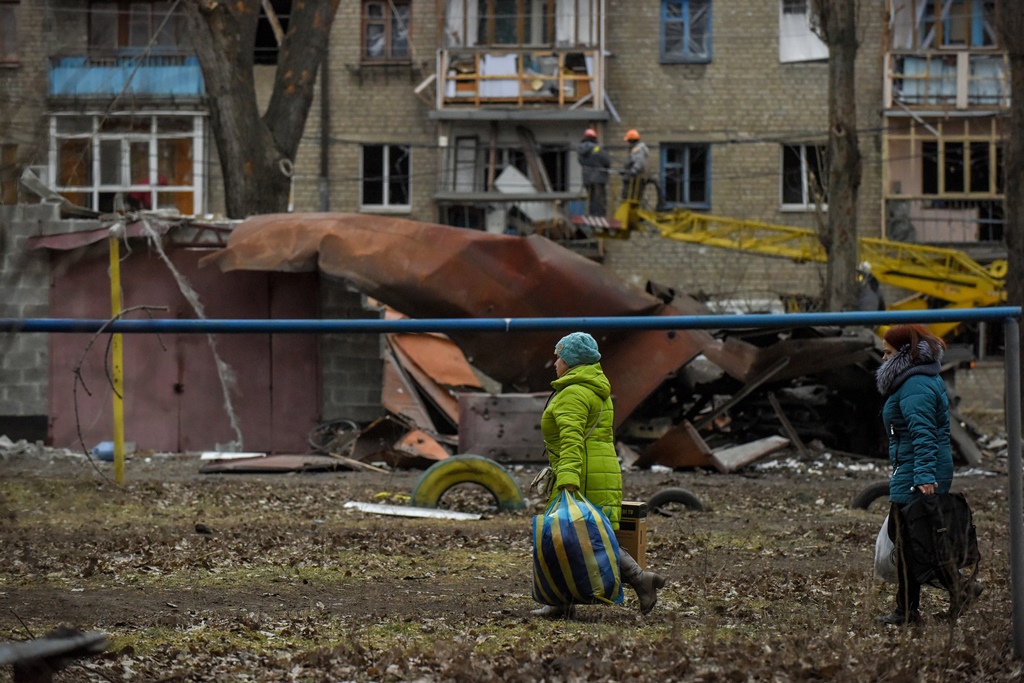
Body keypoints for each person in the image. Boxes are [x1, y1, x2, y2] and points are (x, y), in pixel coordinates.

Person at [531, 332, 666, 618]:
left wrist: (567, 480)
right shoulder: (594, 388)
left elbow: (572, 440)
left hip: (582, 474)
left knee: (578, 537)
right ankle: (560, 602)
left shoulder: (574, 393)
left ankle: (641, 579)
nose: (555, 362)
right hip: (597, 470)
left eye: (559, 356)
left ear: (571, 361)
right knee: (581, 536)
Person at [875, 324, 982, 625]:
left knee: (913, 538)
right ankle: (911, 608)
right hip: (912, 467)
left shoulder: (915, 384)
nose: (884, 359)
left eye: (888, 353)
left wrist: (923, 475)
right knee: (909, 538)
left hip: (919, 470)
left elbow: (923, 434)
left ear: (905, 354)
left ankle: (950, 593)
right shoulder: (914, 380)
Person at [577, 128, 611, 217]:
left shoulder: (580, 149)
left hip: (587, 177)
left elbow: (580, 162)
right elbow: (606, 162)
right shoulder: (597, 148)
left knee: (591, 197)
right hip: (598, 177)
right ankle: (600, 215)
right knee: (599, 197)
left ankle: (592, 214)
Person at [621, 129, 650, 201]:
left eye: (628, 141)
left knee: (632, 197)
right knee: (632, 197)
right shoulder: (636, 149)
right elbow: (630, 161)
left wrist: (634, 170)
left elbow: (639, 161)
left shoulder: (638, 149)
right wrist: (624, 170)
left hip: (636, 178)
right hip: (634, 178)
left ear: (632, 140)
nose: (628, 143)